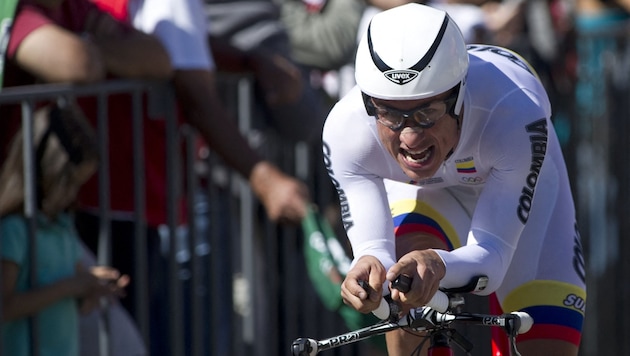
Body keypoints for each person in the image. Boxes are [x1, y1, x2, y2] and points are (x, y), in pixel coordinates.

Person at [322, 3, 586, 355]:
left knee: (544, 344)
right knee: (404, 280)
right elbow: (375, 253)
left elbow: (491, 256)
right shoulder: (347, 130)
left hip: (525, 200)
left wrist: (439, 264)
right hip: (429, 198)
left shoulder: (514, 112)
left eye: (427, 113)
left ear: (460, 97)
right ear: (370, 105)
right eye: (389, 115)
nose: (410, 138)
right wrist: (369, 267)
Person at [0, 103, 129, 356]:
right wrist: (72, 286)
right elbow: (4, 306)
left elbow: (74, 295)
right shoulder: (13, 230)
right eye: (69, 184)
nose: (73, 195)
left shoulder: (62, 224)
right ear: (45, 171)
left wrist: (92, 286)